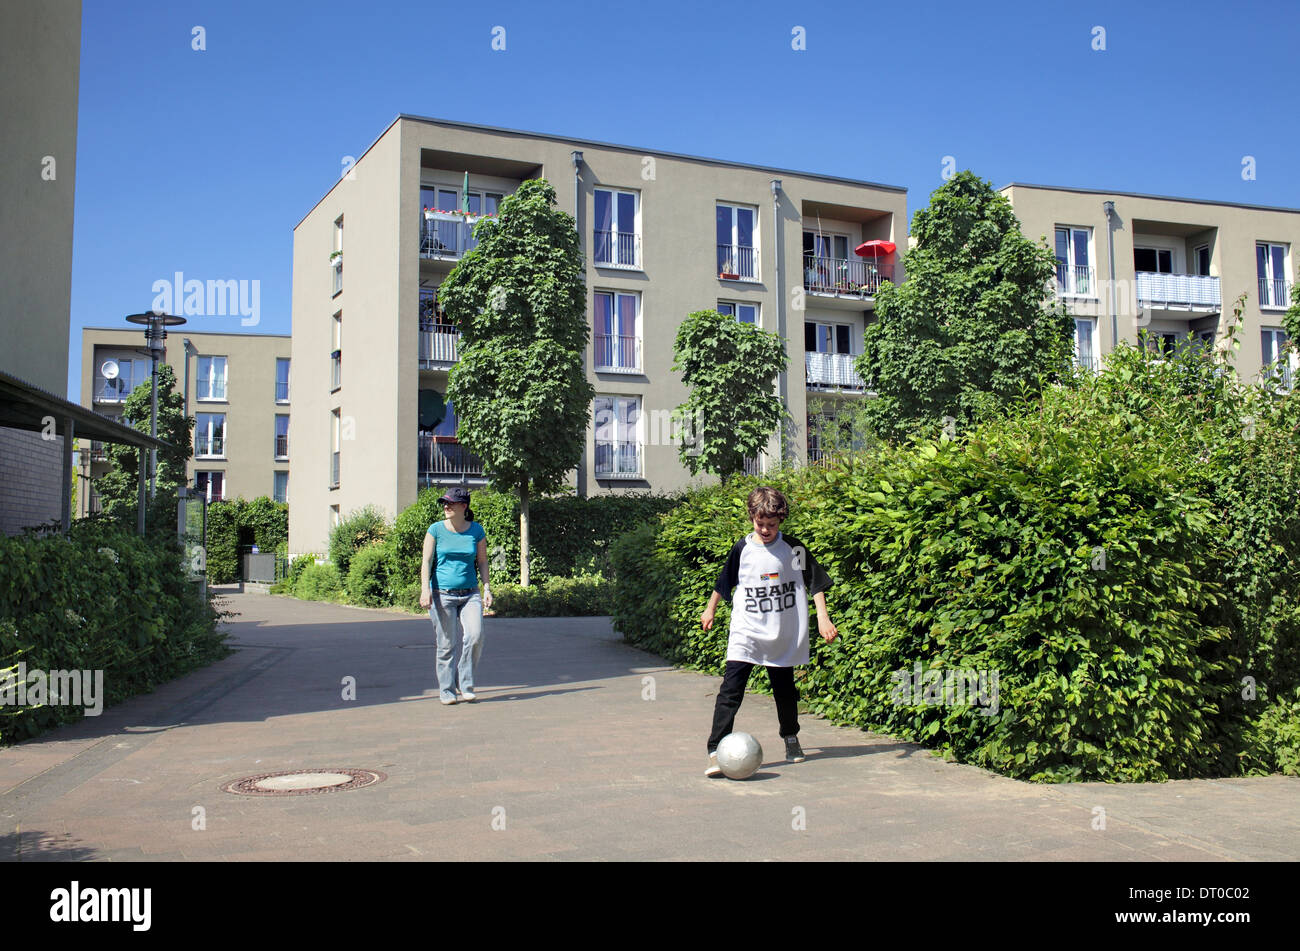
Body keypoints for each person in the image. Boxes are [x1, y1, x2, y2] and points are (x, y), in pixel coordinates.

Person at [700, 486, 838, 776]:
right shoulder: (742, 548)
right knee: (730, 690)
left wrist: (823, 619)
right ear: (751, 517)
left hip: (780, 632)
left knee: (785, 691)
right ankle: (715, 750)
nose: (765, 529)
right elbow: (724, 582)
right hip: (747, 631)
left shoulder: (793, 548)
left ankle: (790, 737)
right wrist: (710, 609)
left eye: (771, 525)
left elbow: (815, 582)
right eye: (759, 523)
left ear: (781, 520)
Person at [420, 487, 493, 705]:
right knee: (446, 644)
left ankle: (465, 682)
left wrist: (487, 588)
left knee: (475, 636)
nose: (446, 506)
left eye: (450, 503)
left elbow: (482, 561)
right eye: (444, 503)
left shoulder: (477, 531)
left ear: (464, 506)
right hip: (442, 594)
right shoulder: (435, 530)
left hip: (470, 593)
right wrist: (425, 589)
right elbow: (426, 561)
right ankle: (447, 690)